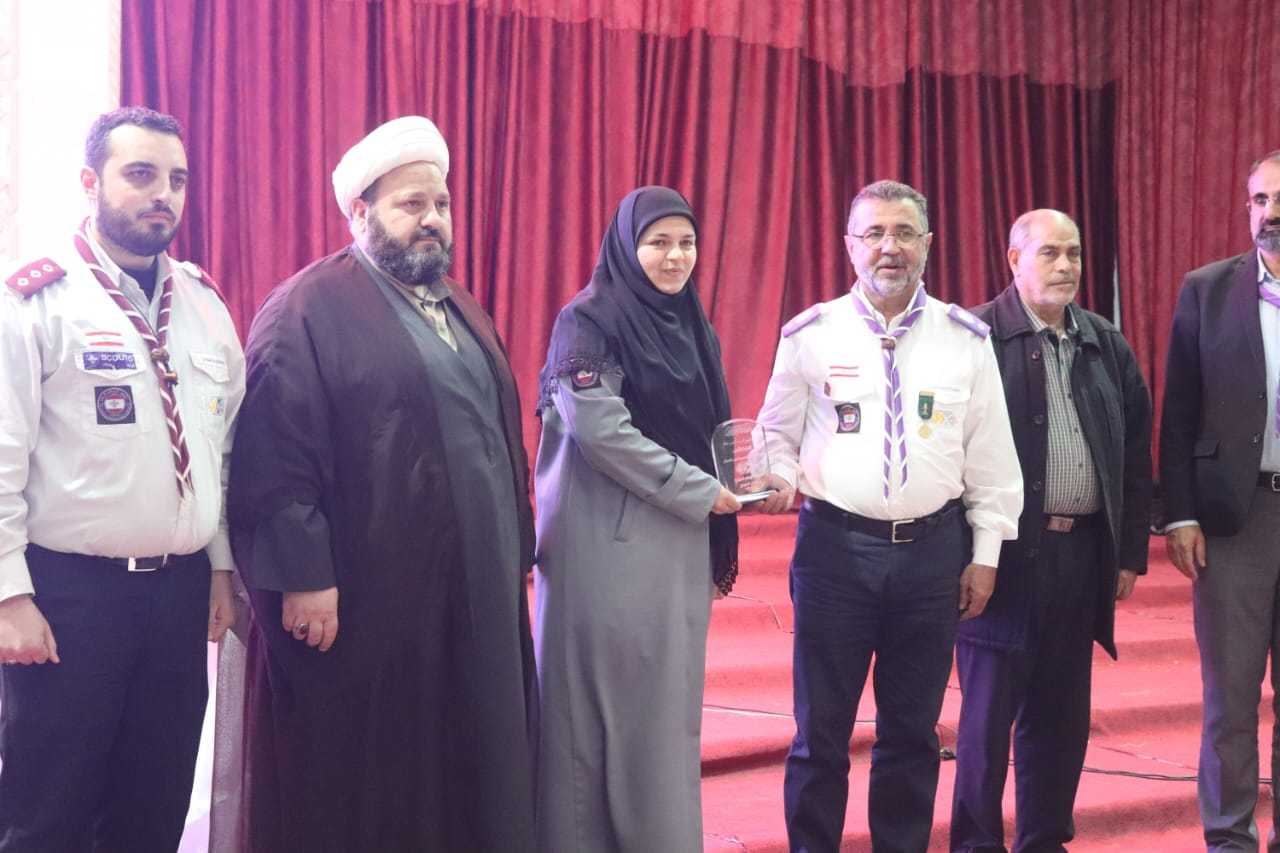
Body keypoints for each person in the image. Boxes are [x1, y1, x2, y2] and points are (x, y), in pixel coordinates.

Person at [226, 116, 537, 851]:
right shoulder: (305, 309)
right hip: (371, 604)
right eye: (411, 204)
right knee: (383, 776)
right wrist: (303, 575)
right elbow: (275, 455)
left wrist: (515, 548)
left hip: (475, 590)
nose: (433, 219)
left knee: (476, 760)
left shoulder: (461, 306)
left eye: (442, 204)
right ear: (359, 212)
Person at [755, 179, 1023, 853]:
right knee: (820, 733)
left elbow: (991, 455)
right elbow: (775, 436)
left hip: (933, 557)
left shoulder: (965, 339)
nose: (889, 247)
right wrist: (779, 475)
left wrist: (986, 553)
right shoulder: (811, 334)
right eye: (873, 233)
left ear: (927, 244)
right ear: (850, 245)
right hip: (834, 554)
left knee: (911, 733)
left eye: (903, 233)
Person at [0, 106, 242, 852]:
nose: (162, 193)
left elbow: (221, 452)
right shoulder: (36, 300)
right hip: (70, 596)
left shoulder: (203, 304)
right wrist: (8, 596)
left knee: (154, 804)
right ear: (90, 182)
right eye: (140, 174)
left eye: (176, 179)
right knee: (49, 812)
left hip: (177, 594)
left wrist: (220, 567)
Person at [532, 185, 742, 852]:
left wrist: (739, 482)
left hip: (675, 540)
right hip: (607, 549)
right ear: (627, 246)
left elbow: (708, 430)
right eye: (658, 243)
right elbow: (601, 432)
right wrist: (700, 490)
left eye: (686, 243)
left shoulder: (691, 327)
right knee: (592, 725)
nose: (675, 256)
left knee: (661, 721)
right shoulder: (589, 322)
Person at [949, 209, 1153, 852]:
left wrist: (1127, 554)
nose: (1066, 266)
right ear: (1014, 260)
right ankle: (975, 843)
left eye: (1074, 253)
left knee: (1061, 719)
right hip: (1001, 560)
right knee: (985, 724)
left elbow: (1134, 453)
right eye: (1049, 253)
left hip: (1082, 556)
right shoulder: (974, 336)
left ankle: (1044, 840)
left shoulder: (1104, 342)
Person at [1161, 149, 1280, 851]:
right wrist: (1179, 512)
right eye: (1261, 199)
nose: (1271, 213)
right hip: (1237, 520)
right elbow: (1179, 411)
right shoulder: (1206, 290)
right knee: (1231, 698)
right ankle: (1229, 837)